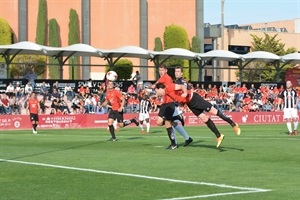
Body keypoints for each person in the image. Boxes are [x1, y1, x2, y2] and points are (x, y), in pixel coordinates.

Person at [155, 82, 241, 148]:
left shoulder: (169, 87)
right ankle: (219, 136)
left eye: (156, 91)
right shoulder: (167, 94)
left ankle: (233, 124)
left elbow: (182, 86)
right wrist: (182, 105)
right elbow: (179, 98)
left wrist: (185, 92)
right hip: (190, 104)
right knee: (204, 119)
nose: (157, 94)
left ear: (159, 89)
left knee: (214, 112)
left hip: (195, 99)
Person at [151, 64, 187, 150]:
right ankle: (176, 118)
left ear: (166, 70)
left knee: (167, 123)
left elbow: (155, 85)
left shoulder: (165, 77)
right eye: (159, 70)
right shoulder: (167, 78)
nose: (161, 72)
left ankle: (174, 144)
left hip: (169, 103)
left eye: (162, 70)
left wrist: (149, 87)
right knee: (159, 122)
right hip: (165, 103)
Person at [173, 66, 193, 146]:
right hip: (178, 104)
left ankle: (174, 143)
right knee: (173, 123)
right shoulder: (183, 81)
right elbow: (189, 90)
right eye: (175, 71)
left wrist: (182, 102)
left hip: (176, 104)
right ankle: (187, 138)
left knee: (170, 122)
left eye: (178, 71)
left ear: (181, 73)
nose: (176, 73)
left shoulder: (179, 82)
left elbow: (187, 92)